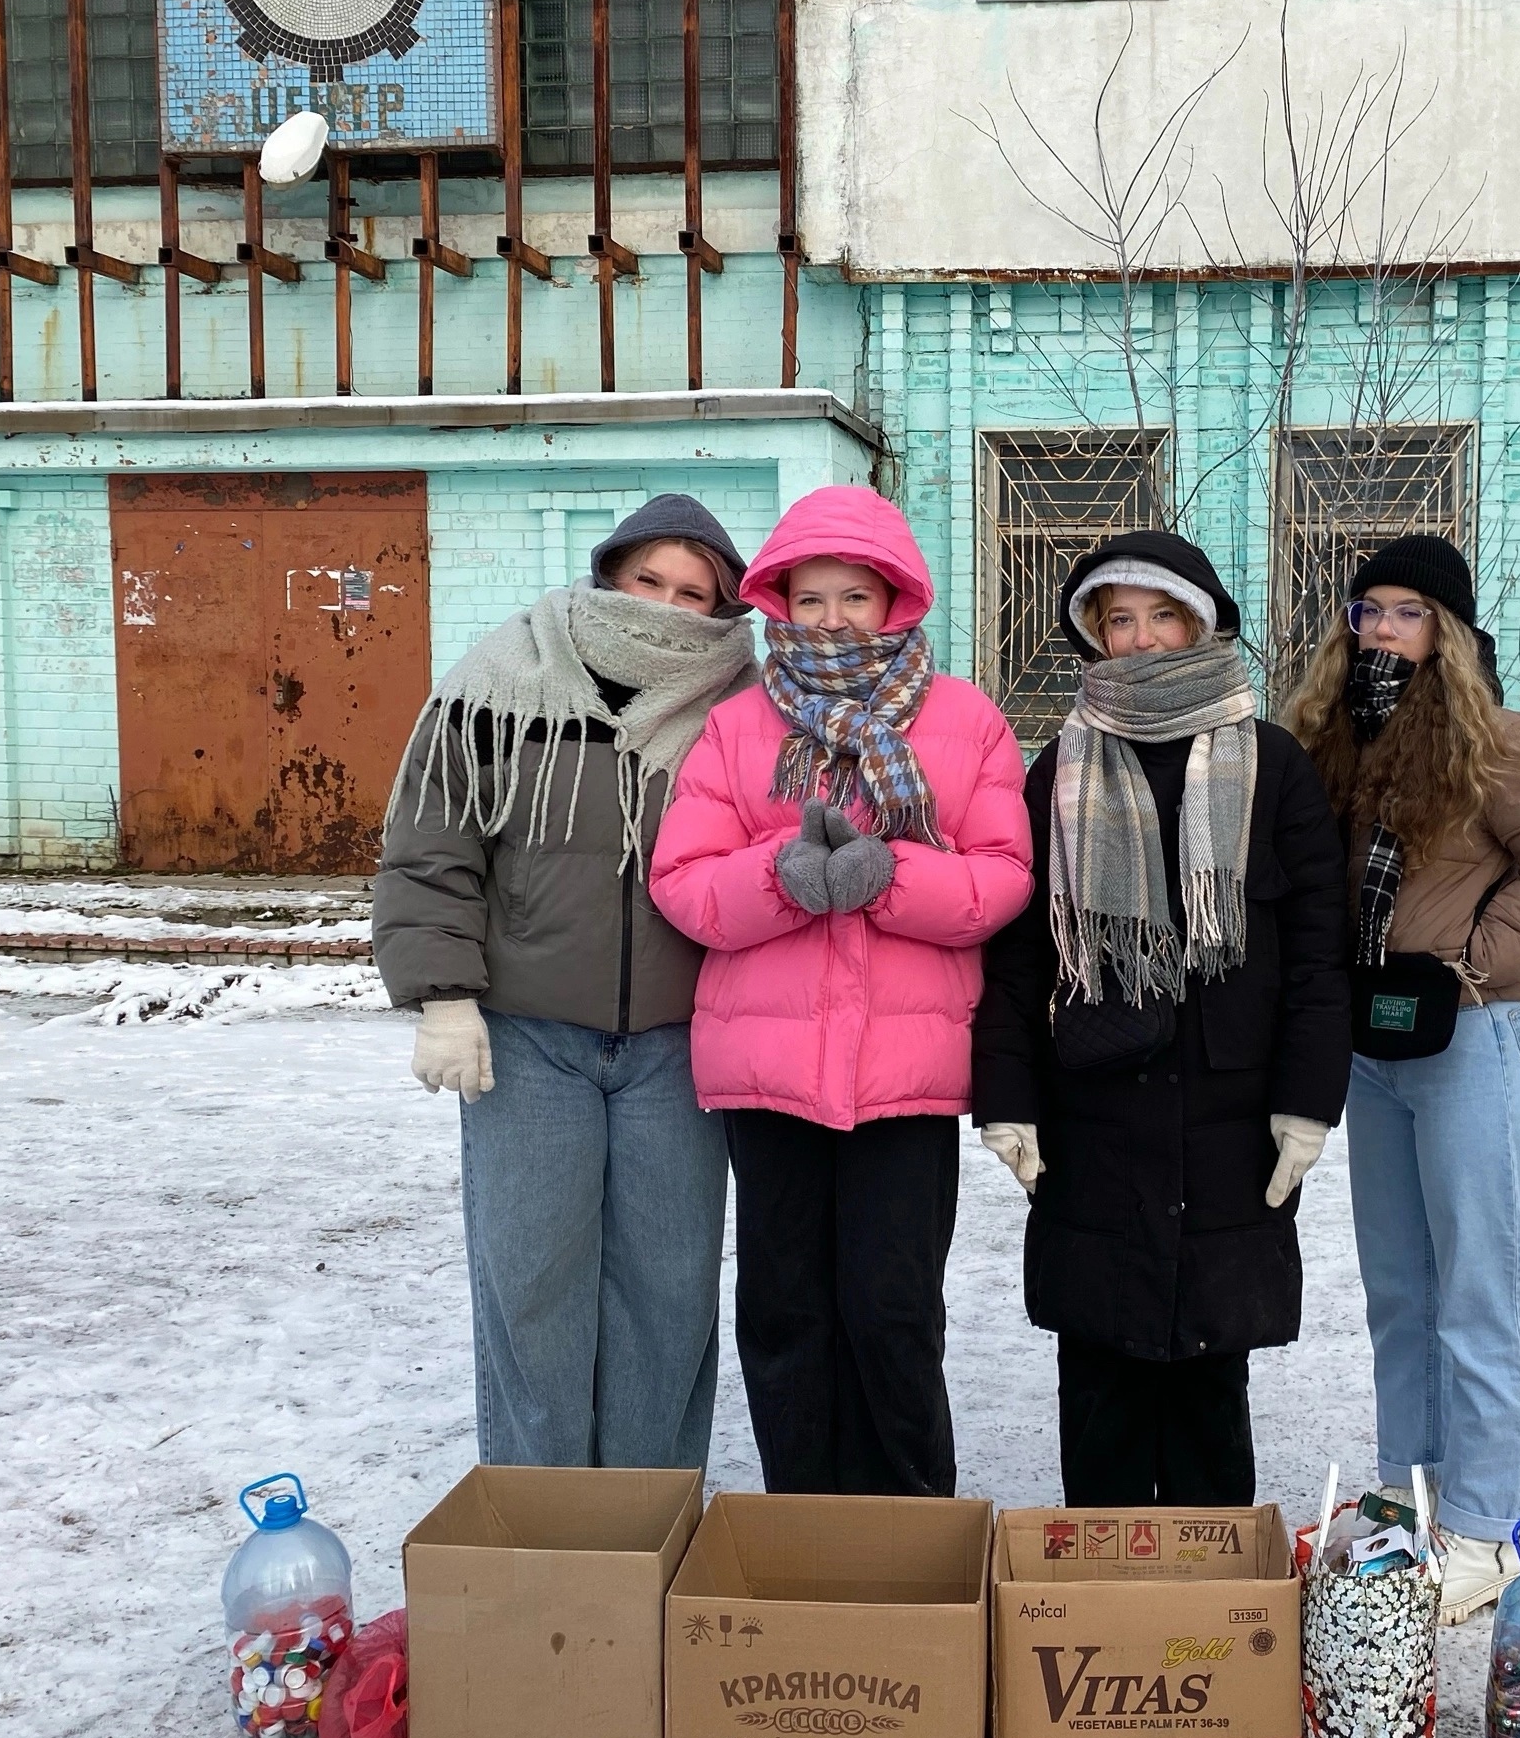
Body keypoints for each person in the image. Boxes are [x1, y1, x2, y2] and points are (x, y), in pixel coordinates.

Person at [649, 484, 1033, 1497]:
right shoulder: (737, 727)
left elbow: (1002, 878)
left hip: (903, 1074)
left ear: (894, 603)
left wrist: (890, 878)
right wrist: (782, 876)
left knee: (892, 1310)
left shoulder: (966, 721)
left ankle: (910, 1524)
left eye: (853, 597)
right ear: (778, 603)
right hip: (767, 1071)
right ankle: (803, 1523)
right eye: (810, 598)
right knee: (784, 1313)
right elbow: (684, 885)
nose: (830, 619)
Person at [372, 494, 759, 1469]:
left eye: (693, 594)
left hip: (679, 1046)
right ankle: (541, 1522)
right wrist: (443, 996)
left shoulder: (742, 708)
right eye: (649, 581)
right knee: (533, 1284)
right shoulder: (503, 682)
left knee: (667, 1292)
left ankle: (648, 1512)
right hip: (528, 1040)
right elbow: (430, 848)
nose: (668, 607)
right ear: (609, 574)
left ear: (721, 612)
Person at [973, 530, 1351, 1507]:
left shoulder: (1271, 765)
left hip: (1230, 1118)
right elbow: (1019, 955)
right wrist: (1005, 1098)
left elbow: (1316, 954)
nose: (1138, 640)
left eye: (1160, 616)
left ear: (1204, 622)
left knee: (1207, 1371)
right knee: (1097, 1369)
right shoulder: (1058, 768)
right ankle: (1101, 1611)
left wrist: (1307, 1105)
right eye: (1117, 620)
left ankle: (1210, 1618)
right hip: (1092, 1113)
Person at [1284, 533, 1520, 1625]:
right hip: (1373, 1052)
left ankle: (1482, 1524)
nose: (1381, 628)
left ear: (1452, 632)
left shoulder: (1502, 742)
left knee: (1480, 1291)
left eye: (1407, 611)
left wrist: (1481, 958)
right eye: (1367, 608)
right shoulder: (1330, 742)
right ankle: (1407, 1494)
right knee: (1398, 1290)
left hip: (1474, 1040)